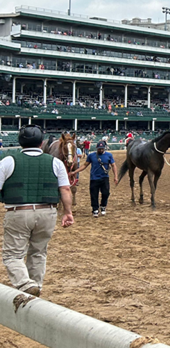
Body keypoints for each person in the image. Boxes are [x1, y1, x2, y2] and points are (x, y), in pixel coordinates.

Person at [0, 125, 74, 296]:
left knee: (13, 256)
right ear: (42, 143)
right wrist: (68, 212)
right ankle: (36, 286)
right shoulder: (55, 162)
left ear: (20, 143)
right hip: (47, 212)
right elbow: (65, 189)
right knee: (39, 252)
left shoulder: (8, 161)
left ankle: (25, 284)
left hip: (18, 211)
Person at [71, 140, 118, 217]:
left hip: (104, 177)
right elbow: (85, 165)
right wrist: (75, 172)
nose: (101, 150)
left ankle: (103, 206)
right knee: (94, 194)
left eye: (102, 148)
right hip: (94, 178)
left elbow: (113, 166)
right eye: (99, 149)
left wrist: (115, 176)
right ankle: (95, 209)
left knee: (106, 193)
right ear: (96, 148)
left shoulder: (109, 155)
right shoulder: (91, 155)